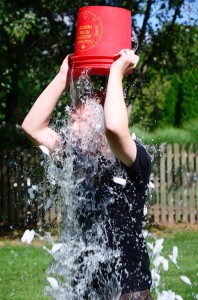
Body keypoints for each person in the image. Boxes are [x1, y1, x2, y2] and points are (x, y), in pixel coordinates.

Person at [22, 49, 153, 300]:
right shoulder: (78, 160)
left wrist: (116, 73)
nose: (70, 124)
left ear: (98, 122)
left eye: (78, 119)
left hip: (129, 292)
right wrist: (63, 76)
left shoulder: (133, 160)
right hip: (88, 290)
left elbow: (115, 128)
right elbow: (33, 127)